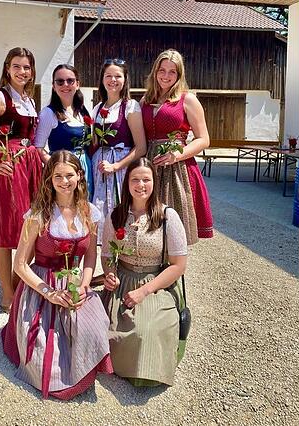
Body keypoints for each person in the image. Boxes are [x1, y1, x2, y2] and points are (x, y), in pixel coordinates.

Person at [1, 151, 113, 399]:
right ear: (49, 179)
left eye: (69, 175)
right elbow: (20, 265)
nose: (64, 181)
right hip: (41, 288)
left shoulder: (90, 212)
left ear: (80, 176)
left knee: (94, 331)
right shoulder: (38, 215)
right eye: (58, 176)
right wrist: (49, 293)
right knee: (43, 357)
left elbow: (90, 256)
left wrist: (84, 286)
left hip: (75, 283)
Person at [101, 158, 188, 387]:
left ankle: (146, 372)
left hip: (156, 284)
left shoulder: (167, 216)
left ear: (154, 182)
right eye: (135, 179)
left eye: (146, 179)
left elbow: (178, 265)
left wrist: (145, 291)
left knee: (146, 330)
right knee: (105, 327)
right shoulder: (116, 215)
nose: (141, 185)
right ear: (127, 183)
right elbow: (107, 256)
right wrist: (110, 274)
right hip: (123, 280)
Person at [0, 47, 46, 312]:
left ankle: (19, 282)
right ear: (7, 68)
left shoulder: (28, 99)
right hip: (9, 168)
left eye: (27, 67)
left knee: (29, 228)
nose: (22, 71)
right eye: (17, 66)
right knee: (6, 233)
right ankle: (7, 293)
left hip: (31, 168)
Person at [140, 49, 213, 244]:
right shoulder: (145, 101)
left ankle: (173, 270)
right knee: (149, 224)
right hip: (149, 165)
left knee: (173, 228)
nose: (166, 76)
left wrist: (177, 154)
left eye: (172, 71)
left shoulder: (187, 99)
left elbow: (204, 139)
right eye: (162, 70)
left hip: (177, 169)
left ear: (179, 74)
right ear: (155, 72)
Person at [89, 58, 147, 219]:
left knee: (119, 208)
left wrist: (116, 166)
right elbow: (94, 142)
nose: (112, 80)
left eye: (118, 76)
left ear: (125, 79)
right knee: (98, 209)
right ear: (102, 79)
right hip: (99, 167)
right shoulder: (97, 108)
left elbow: (141, 147)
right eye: (108, 76)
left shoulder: (130, 106)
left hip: (121, 167)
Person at [33, 64, 94, 199]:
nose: (65, 85)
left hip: (85, 167)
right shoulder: (48, 113)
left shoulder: (83, 111)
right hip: (63, 171)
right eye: (60, 81)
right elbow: (38, 148)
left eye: (70, 81)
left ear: (77, 84)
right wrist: (58, 167)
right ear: (54, 86)